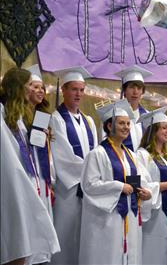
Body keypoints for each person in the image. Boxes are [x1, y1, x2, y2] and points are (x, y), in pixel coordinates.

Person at [79, 100, 153, 265]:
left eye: (128, 123)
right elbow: (89, 186)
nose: (126, 127)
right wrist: (119, 186)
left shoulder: (130, 154)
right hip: (107, 218)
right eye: (121, 123)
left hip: (130, 217)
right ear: (109, 126)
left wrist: (146, 192)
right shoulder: (97, 154)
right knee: (108, 256)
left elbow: (142, 179)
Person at [0, 68, 60, 265]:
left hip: (34, 176)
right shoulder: (7, 114)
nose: (37, 90)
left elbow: (33, 150)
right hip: (17, 178)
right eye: (32, 85)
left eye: (42, 87)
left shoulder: (35, 115)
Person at [49, 66, 98, 265]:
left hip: (87, 188)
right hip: (67, 189)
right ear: (64, 90)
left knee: (82, 234)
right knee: (65, 233)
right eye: (73, 89)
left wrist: (93, 176)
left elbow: (95, 154)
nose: (78, 94)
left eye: (81, 90)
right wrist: (91, 172)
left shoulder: (89, 121)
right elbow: (64, 156)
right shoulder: (56, 119)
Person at [136, 106, 167, 265]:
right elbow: (142, 186)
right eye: (164, 128)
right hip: (155, 214)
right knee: (155, 253)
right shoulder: (142, 155)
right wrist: (166, 186)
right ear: (153, 131)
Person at [26, 64, 55, 217]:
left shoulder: (42, 115)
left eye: (42, 88)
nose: (40, 91)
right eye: (35, 87)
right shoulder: (19, 116)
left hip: (41, 173)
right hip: (29, 170)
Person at [110, 65, 152, 151]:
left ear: (142, 91)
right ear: (124, 90)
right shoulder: (113, 116)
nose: (135, 92)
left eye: (139, 88)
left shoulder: (148, 116)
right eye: (132, 87)